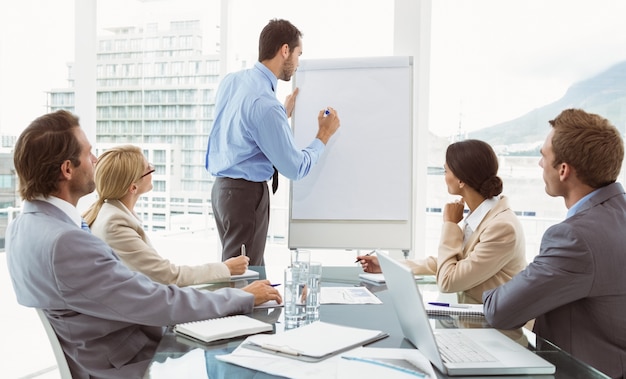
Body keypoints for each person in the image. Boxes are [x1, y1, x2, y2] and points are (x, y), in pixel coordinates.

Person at [6, 110, 281, 379]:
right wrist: (241, 298)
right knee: (255, 362)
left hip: (104, 351)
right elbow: (158, 300)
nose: (95, 160)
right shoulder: (65, 242)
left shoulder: (23, 227)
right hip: (133, 360)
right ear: (67, 169)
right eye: (89, 154)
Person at [483, 109, 626, 378]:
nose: (539, 164)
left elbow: (499, 311)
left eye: (543, 156)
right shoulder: (617, 215)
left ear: (563, 170)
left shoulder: (576, 238)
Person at [205, 18, 341, 266]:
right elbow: (295, 167)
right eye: (298, 54)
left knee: (242, 272)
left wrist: (281, 115)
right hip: (245, 197)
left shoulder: (232, 81)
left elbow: (241, 131)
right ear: (285, 50)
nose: (298, 63)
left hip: (223, 192)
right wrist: (323, 135)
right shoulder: (266, 105)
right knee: (244, 280)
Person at [358, 139, 527, 304]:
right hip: (474, 319)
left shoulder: (502, 227)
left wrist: (450, 224)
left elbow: (448, 281)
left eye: (446, 171)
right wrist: (389, 266)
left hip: (498, 329)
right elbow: (453, 263)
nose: (444, 177)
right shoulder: (484, 215)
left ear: (461, 180)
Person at [82, 145, 249, 286]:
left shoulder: (107, 212)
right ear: (133, 188)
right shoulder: (114, 223)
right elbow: (168, 276)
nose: (153, 171)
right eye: (149, 169)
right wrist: (226, 268)